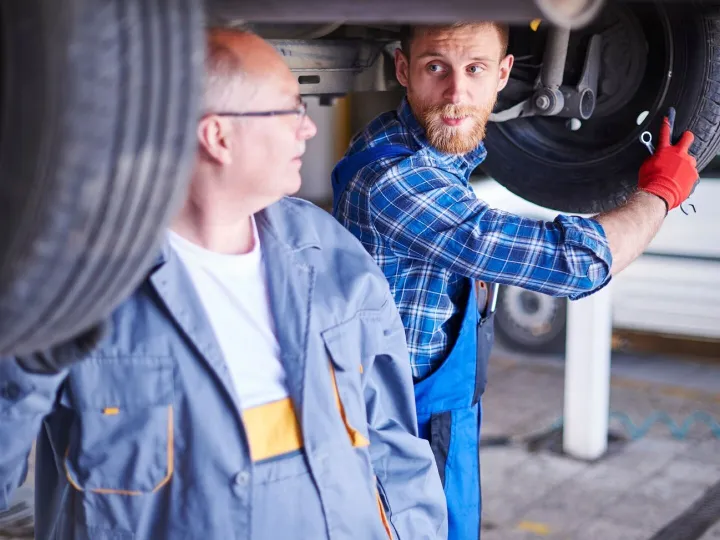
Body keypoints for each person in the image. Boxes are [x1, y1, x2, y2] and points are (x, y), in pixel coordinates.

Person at [0, 28, 447, 540]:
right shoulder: (81, 281)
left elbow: (391, 446)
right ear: (217, 136)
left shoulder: (330, 253)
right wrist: (24, 359)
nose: (307, 129)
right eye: (290, 110)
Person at [331, 21, 699, 540]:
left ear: (504, 74)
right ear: (402, 70)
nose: (456, 94)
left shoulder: (401, 142)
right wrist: (660, 191)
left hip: (438, 419)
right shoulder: (398, 181)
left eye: (475, 69)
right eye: (436, 67)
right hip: (402, 438)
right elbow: (578, 264)